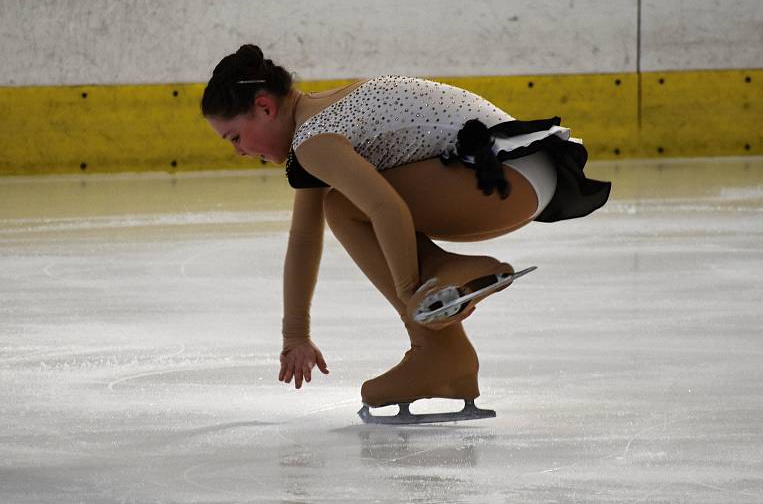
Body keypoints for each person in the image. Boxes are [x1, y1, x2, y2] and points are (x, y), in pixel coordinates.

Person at [201, 44, 611, 423]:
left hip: (498, 176)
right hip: (525, 174)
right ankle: (448, 358)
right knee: (342, 206)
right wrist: (295, 336)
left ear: (264, 107)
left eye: (235, 137)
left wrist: (410, 291)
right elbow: (304, 240)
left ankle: (443, 313)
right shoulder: (322, 118)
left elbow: (386, 208)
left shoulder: (314, 141)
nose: (238, 151)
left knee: (342, 207)